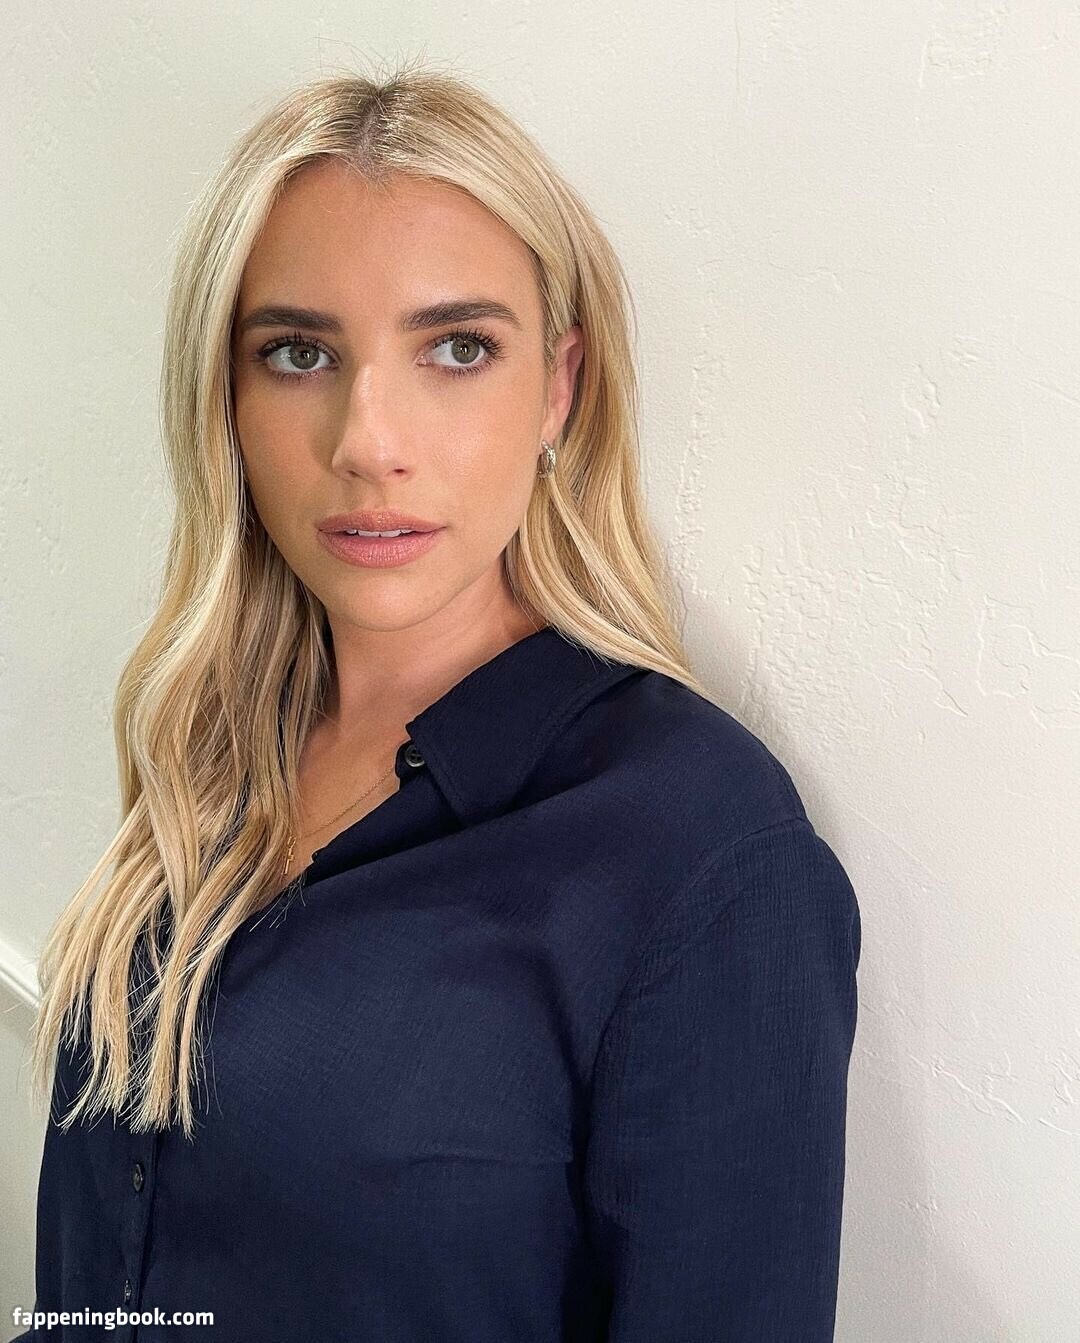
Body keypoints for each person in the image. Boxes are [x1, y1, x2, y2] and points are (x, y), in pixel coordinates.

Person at [13, 61, 862, 1343]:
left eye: (458, 348)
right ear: (225, 397)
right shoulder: (215, 744)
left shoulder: (701, 853)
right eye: (298, 352)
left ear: (560, 387)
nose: (368, 440)